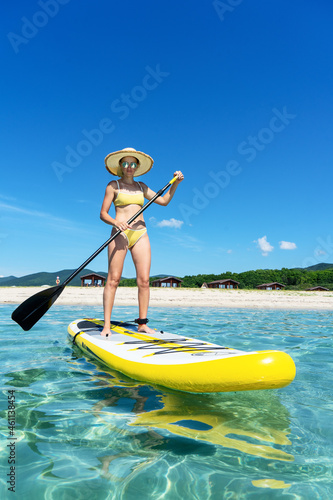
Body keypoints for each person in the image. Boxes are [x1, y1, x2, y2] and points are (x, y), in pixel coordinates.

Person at [100, 147, 184, 336]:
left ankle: (143, 324)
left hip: (140, 234)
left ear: (137, 166)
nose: (129, 167)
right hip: (119, 234)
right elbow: (103, 213)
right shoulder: (113, 185)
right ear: (120, 166)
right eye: (125, 163)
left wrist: (176, 183)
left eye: (132, 164)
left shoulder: (142, 187)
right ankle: (106, 326)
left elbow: (163, 201)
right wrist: (116, 222)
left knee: (144, 281)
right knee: (113, 280)